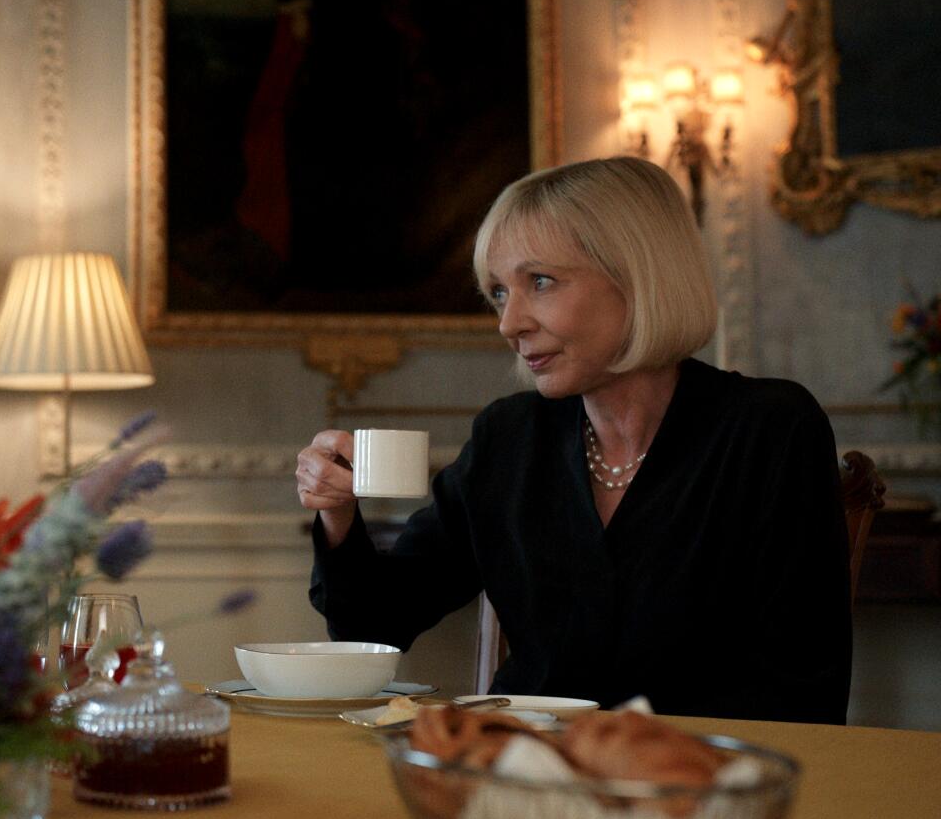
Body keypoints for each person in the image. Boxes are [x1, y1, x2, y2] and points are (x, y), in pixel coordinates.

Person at [293, 156, 851, 724]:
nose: (510, 325)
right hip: (524, 775)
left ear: (638, 276)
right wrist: (338, 511)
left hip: (698, 787)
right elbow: (374, 624)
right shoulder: (507, 438)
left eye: (540, 282)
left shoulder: (769, 429)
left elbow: (804, 690)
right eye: (499, 293)